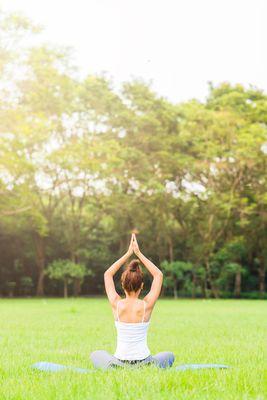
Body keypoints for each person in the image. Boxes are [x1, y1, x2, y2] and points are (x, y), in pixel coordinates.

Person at [90, 233, 175, 370]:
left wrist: (128, 253)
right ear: (142, 286)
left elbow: (108, 274)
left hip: (119, 362)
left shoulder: (116, 304)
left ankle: (116, 368)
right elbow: (158, 275)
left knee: (96, 354)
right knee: (169, 355)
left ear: (122, 285)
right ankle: (145, 368)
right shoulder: (146, 305)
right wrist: (138, 253)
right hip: (145, 362)